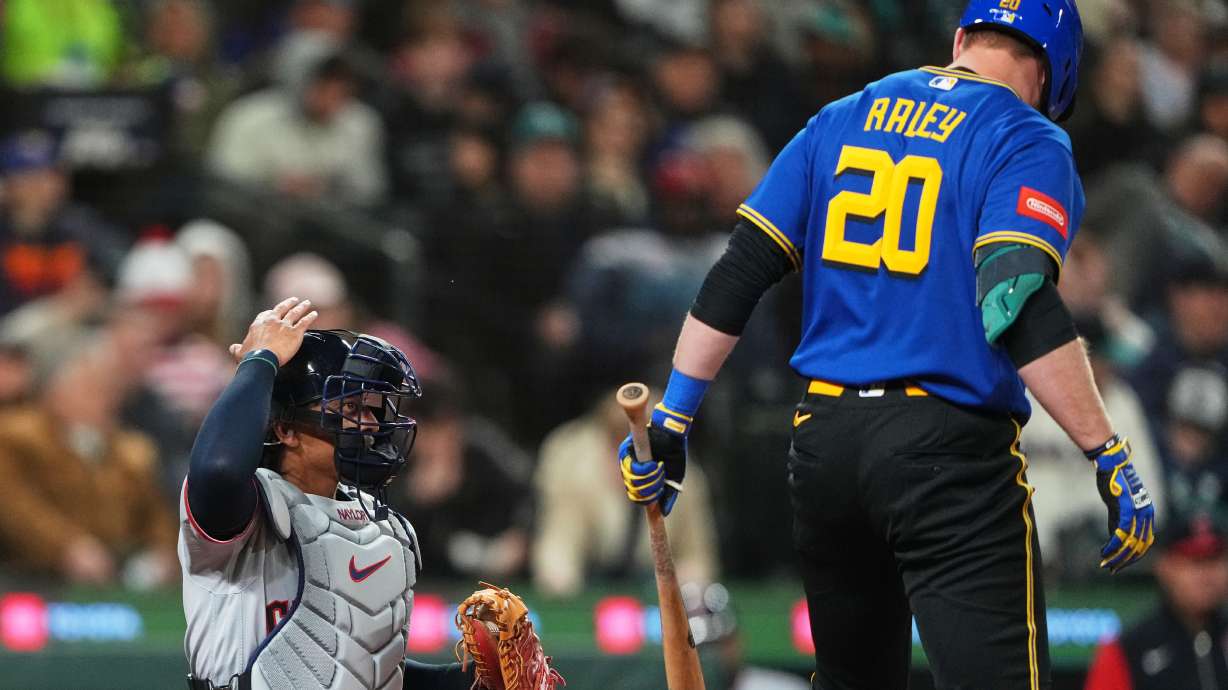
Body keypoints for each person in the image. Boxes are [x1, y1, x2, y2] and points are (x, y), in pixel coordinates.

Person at [615, 2, 1157, 689]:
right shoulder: (1027, 136)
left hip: (825, 444)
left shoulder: (846, 112)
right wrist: (1106, 450)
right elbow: (1012, 295)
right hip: (945, 451)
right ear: (1057, 75)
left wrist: (672, 419)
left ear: (960, 39)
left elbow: (739, 272)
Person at [179, 298, 559, 689]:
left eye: (370, 409)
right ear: (286, 429)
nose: (368, 425)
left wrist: (472, 684)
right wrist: (260, 360)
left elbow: (360, 674)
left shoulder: (381, 527)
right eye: (348, 408)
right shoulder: (247, 508)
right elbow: (219, 469)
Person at [1084, 515, 1228, 690]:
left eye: (1214, 560)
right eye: (1194, 562)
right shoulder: (1128, 649)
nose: (1206, 575)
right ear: (1164, 566)